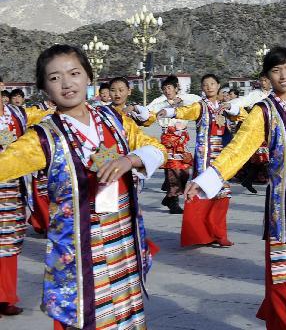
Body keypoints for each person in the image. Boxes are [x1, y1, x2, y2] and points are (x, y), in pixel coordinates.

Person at [0, 45, 165, 329]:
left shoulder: (113, 120)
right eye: (54, 78)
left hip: (122, 239)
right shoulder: (42, 138)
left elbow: (157, 149)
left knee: (129, 317)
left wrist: (131, 159)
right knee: (88, 318)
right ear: (43, 88)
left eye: (74, 73)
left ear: (88, 76)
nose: (66, 83)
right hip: (80, 251)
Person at [185, 47, 286, 329]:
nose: (283, 75)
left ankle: (281, 318)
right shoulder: (263, 111)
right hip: (285, 200)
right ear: (267, 77)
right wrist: (206, 179)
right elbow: (238, 149)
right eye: (276, 71)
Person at [156, 73, 245, 247]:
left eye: (212, 83)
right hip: (205, 157)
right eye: (205, 85)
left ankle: (218, 232)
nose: (209, 87)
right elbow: (185, 111)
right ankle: (202, 233)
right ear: (202, 88)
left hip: (223, 158)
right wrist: (170, 111)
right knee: (203, 194)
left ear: (218, 85)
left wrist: (233, 109)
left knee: (223, 194)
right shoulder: (200, 106)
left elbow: (244, 117)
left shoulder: (226, 107)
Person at [0, 75, 53, 317]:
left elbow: (43, 113)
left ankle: (5, 297)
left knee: (8, 245)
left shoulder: (17, 114)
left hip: (11, 188)